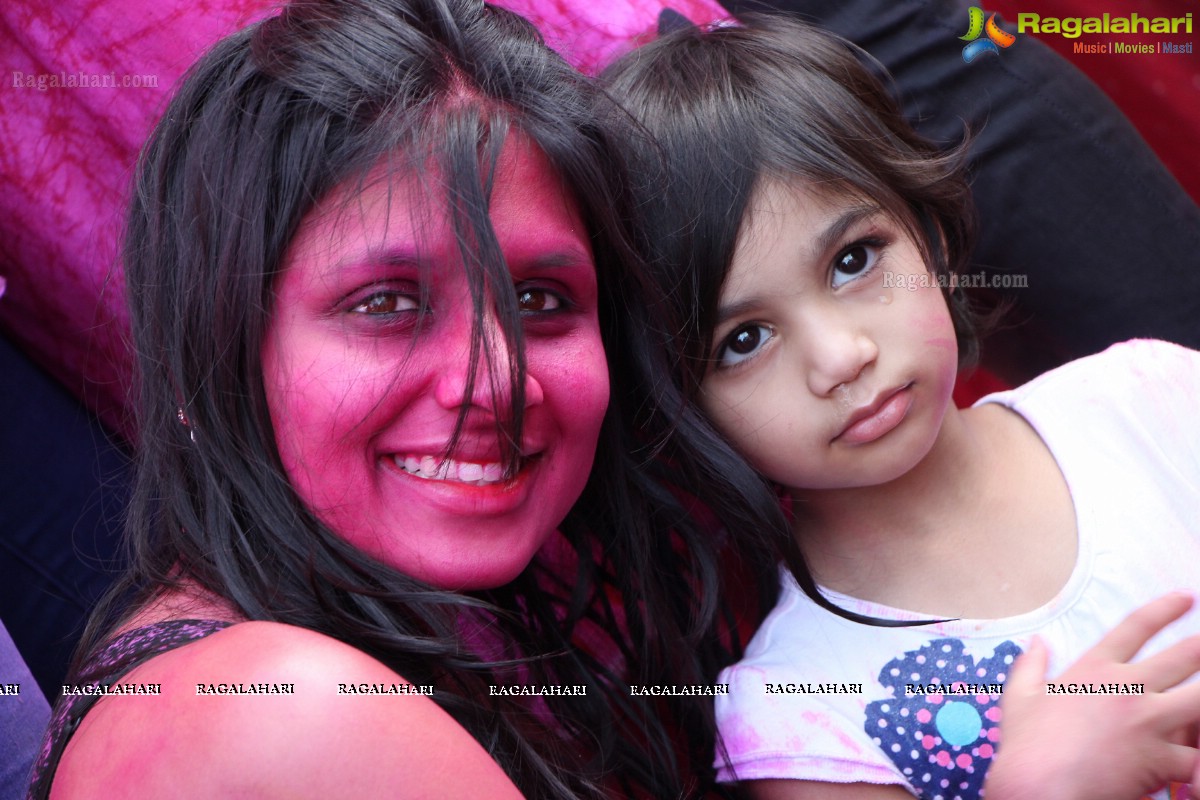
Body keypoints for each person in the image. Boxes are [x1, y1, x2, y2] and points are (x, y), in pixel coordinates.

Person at [24, 1, 744, 797]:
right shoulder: (291, 713)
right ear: (209, 352)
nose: (496, 382)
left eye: (540, 300)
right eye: (387, 304)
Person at [601, 14, 1200, 800]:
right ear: (678, 403)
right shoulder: (799, 719)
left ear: (928, 231)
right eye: (743, 340)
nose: (842, 355)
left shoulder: (1151, 400)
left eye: (854, 260)